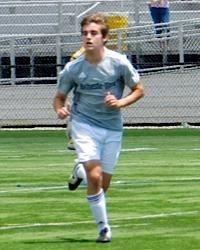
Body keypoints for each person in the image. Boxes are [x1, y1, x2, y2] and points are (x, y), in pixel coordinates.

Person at [53, 13, 144, 243]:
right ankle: (104, 229)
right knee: (95, 177)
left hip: (112, 126)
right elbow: (59, 97)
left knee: (102, 183)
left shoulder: (119, 62)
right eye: (85, 33)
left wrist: (120, 102)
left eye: (93, 33)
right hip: (84, 125)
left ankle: (79, 171)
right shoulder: (74, 68)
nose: (88, 37)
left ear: (104, 37)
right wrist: (60, 109)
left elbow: (139, 89)